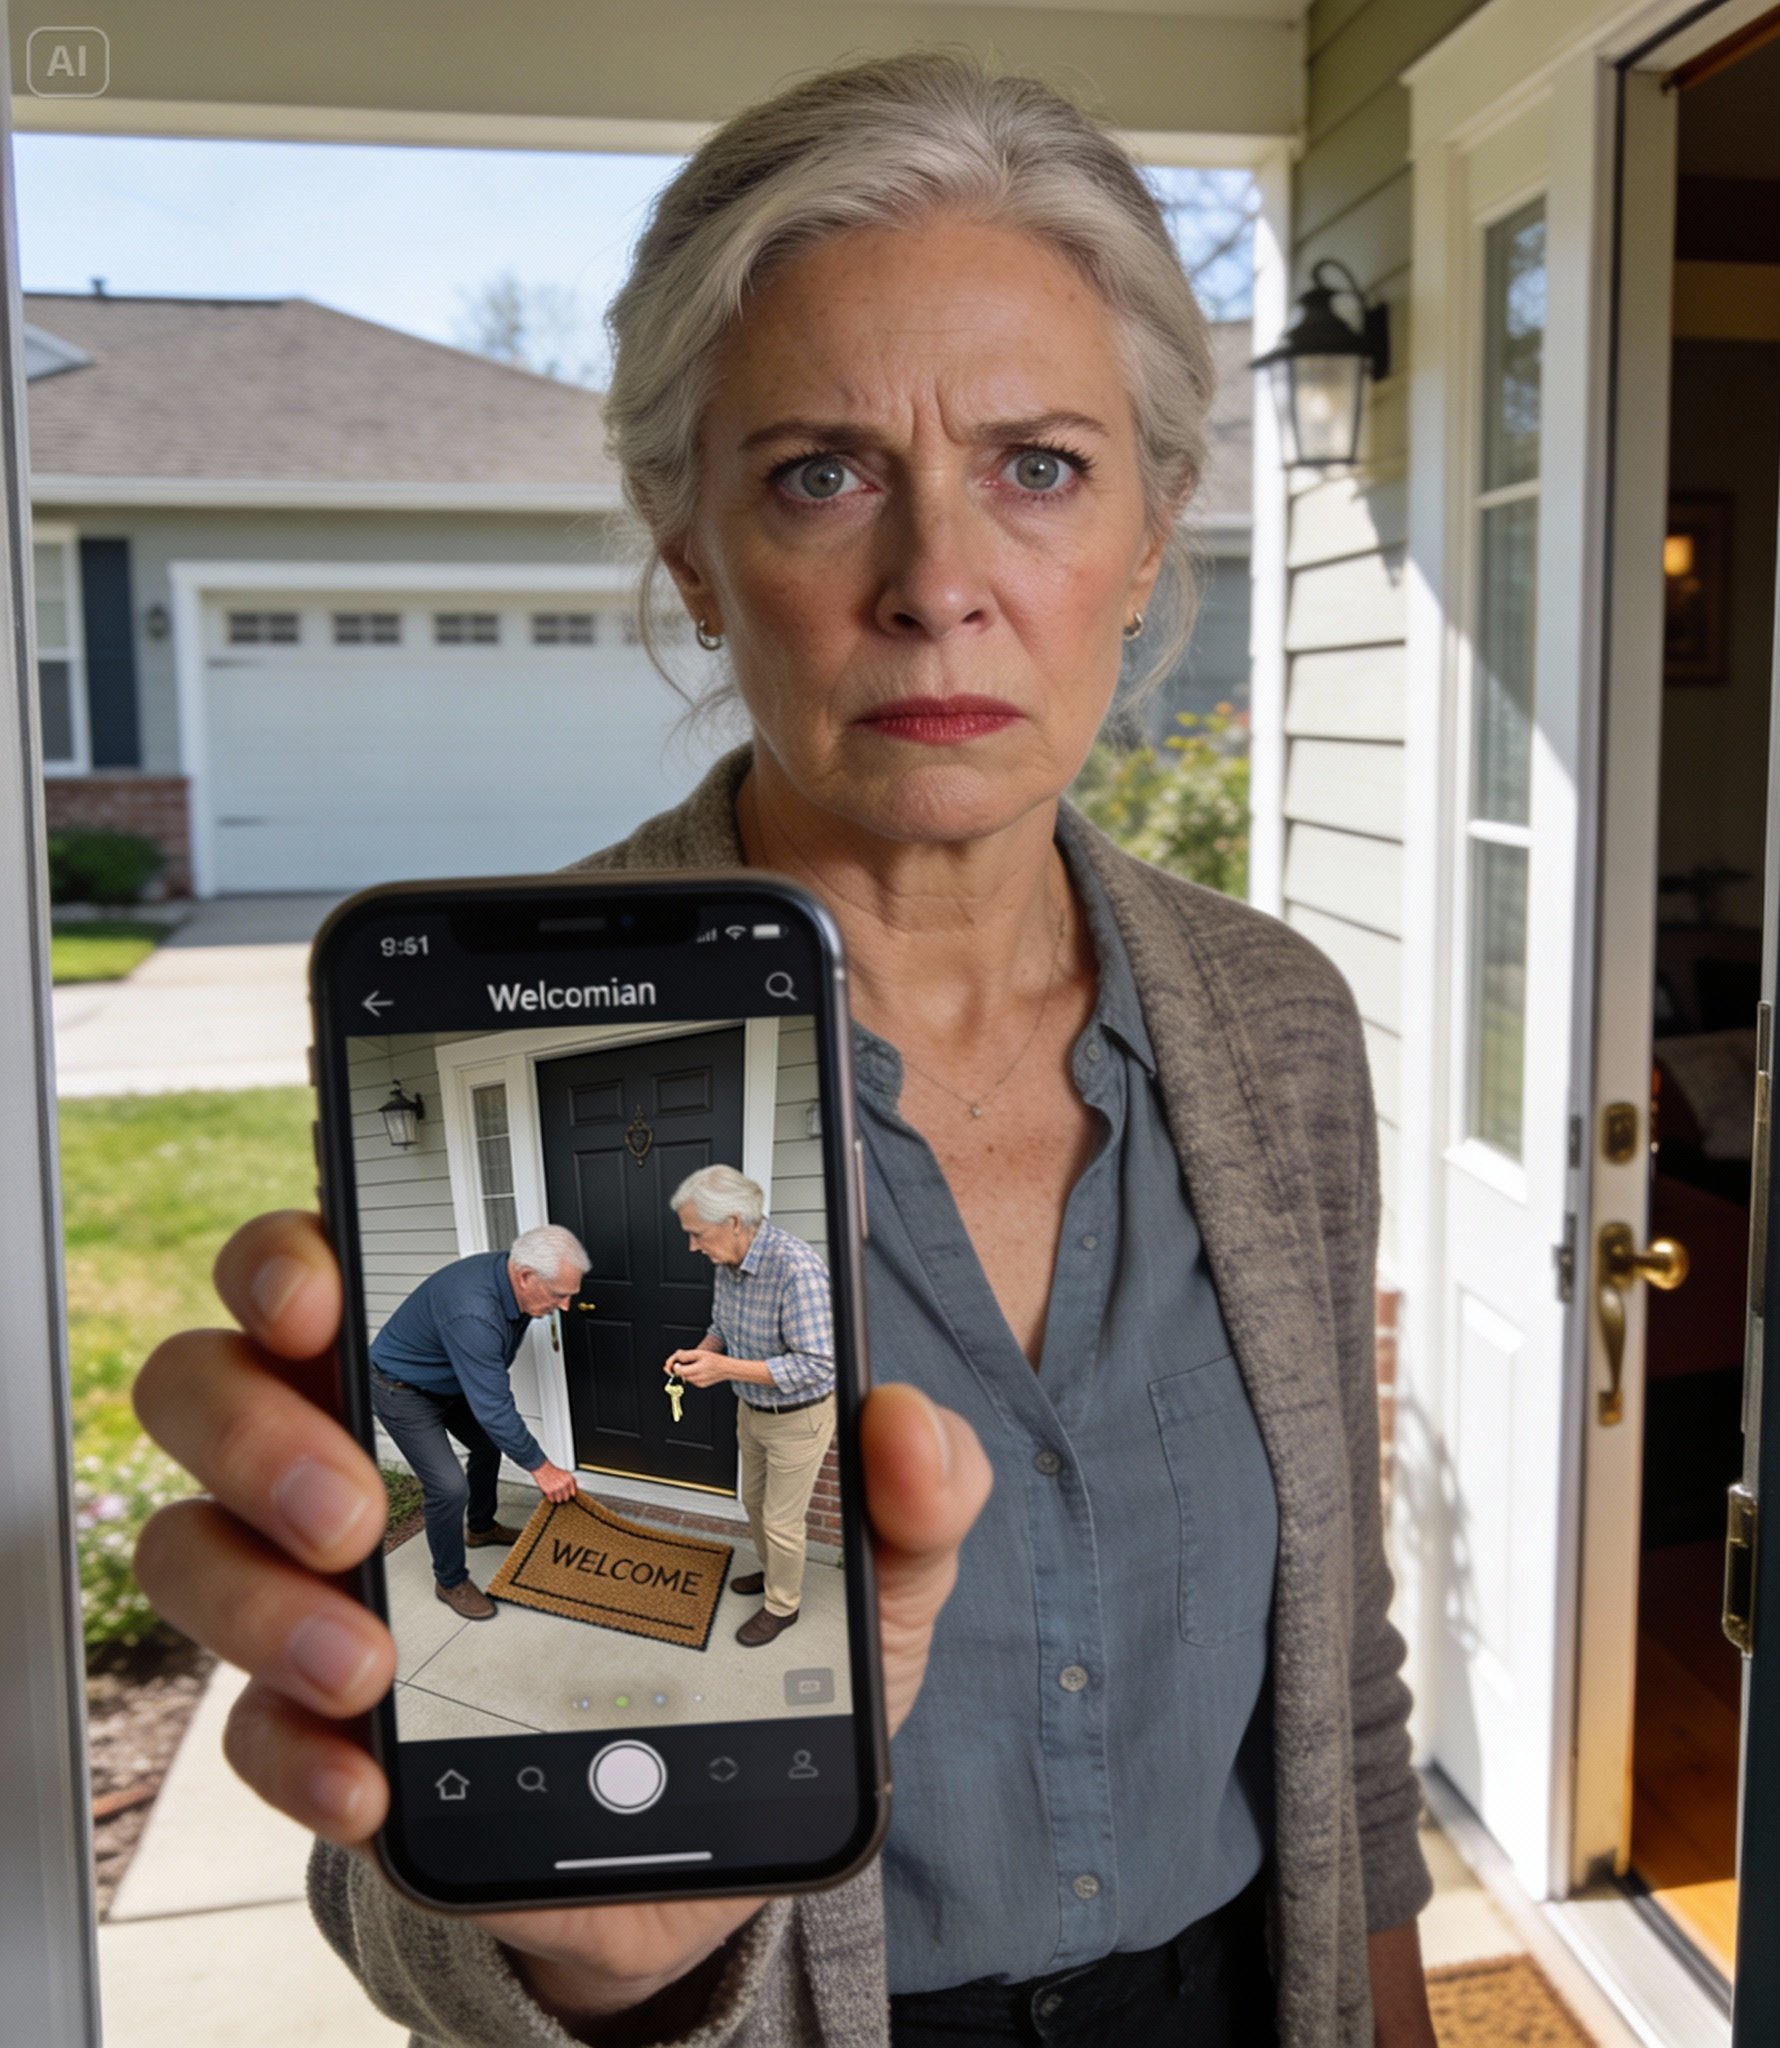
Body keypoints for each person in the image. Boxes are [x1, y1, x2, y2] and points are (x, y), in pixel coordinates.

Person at [129, 51, 1439, 2048]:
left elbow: (1336, 1665)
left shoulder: (1275, 1029)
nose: (937, 585)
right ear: (689, 546)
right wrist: (586, 1960)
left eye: (1038, 466)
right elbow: (421, 1884)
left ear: (1152, 527)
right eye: (821, 473)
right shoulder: (543, 1059)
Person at [366, 1225, 586, 1619]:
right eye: (559, 1295)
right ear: (525, 1276)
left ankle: (480, 1528)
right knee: (448, 1488)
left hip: (449, 1381)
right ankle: (449, 1580)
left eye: (571, 1294)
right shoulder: (473, 1310)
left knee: (487, 1444)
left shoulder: (515, 1281)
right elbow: (493, 1407)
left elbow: (489, 1396)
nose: (566, 1306)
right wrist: (542, 1467)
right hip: (401, 1389)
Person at [662, 1164, 837, 1647]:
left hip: (798, 1419)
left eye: (697, 1234)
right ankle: (773, 1572)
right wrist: (702, 1353)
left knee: (782, 1520)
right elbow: (721, 1327)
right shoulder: (727, 1265)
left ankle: (783, 1606)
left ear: (735, 1222)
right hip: (751, 1410)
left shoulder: (796, 1269)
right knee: (754, 1504)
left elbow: (818, 1364)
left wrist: (725, 1369)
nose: (692, 1246)